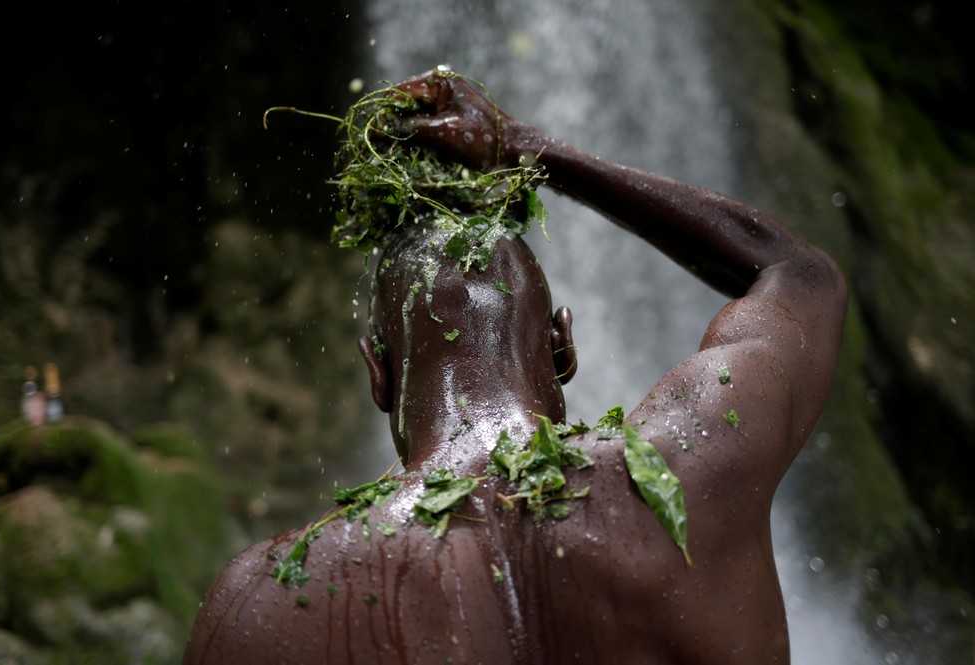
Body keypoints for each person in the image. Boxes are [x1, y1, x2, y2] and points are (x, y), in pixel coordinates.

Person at [183, 68, 847, 664]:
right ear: (563, 346)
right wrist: (526, 147)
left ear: (377, 374)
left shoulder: (271, 599)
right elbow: (799, 272)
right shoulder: (698, 455)